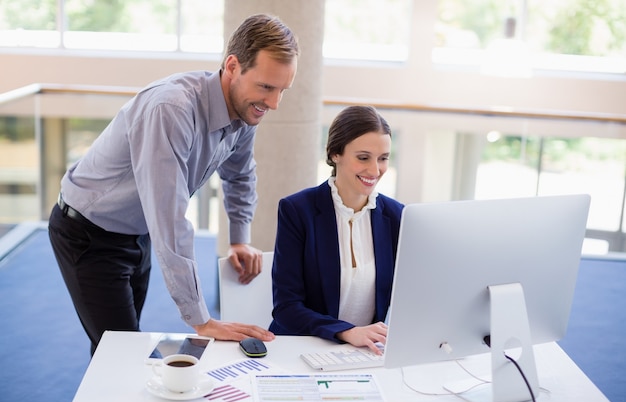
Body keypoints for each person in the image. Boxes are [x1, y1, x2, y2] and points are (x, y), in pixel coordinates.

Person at [48, 14, 299, 355]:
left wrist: (239, 239)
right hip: (88, 233)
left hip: (136, 232)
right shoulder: (172, 109)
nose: (273, 103)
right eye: (267, 87)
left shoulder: (245, 110)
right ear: (233, 66)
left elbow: (240, 175)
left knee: (119, 344)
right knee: (122, 349)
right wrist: (202, 321)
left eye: (282, 90)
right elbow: (170, 217)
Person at [269, 105, 404, 355]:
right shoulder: (298, 211)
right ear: (335, 154)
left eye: (383, 158)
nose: (375, 170)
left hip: (366, 352)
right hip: (304, 348)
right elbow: (287, 307)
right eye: (363, 157)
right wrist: (346, 331)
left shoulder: (397, 216)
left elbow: (407, 298)